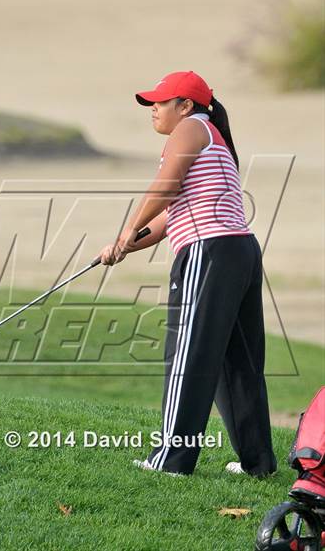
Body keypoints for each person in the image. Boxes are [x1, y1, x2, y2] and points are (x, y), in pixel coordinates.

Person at [98, 71, 277, 477]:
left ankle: (170, 461)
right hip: (239, 251)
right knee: (238, 363)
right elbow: (166, 216)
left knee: (187, 357)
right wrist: (124, 245)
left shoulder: (191, 127)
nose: (154, 109)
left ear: (186, 105)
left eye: (162, 101)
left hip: (208, 252)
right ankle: (259, 463)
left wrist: (126, 231)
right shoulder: (209, 135)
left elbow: (165, 186)